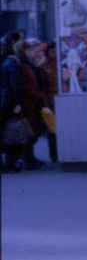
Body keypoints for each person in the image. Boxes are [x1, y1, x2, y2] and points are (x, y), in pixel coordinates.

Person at [16, 39, 49, 170]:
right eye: (32, 50)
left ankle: (30, 157)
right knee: (31, 131)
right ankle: (28, 158)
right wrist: (38, 94)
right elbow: (27, 86)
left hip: (34, 102)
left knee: (35, 131)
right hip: (30, 103)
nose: (36, 53)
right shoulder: (24, 66)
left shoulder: (31, 65)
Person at [1, 33, 24, 172]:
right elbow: (14, 85)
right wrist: (17, 102)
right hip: (8, 102)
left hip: (4, 101)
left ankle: (8, 162)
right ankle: (12, 162)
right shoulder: (12, 62)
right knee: (12, 132)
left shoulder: (5, 61)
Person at [41, 42, 59, 162]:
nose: (54, 52)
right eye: (51, 50)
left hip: (57, 97)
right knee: (52, 128)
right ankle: (54, 155)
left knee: (58, 128)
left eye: (55, 50)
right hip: (49, 99)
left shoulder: (60, 63)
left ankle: (57, 153)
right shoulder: (44, 65)